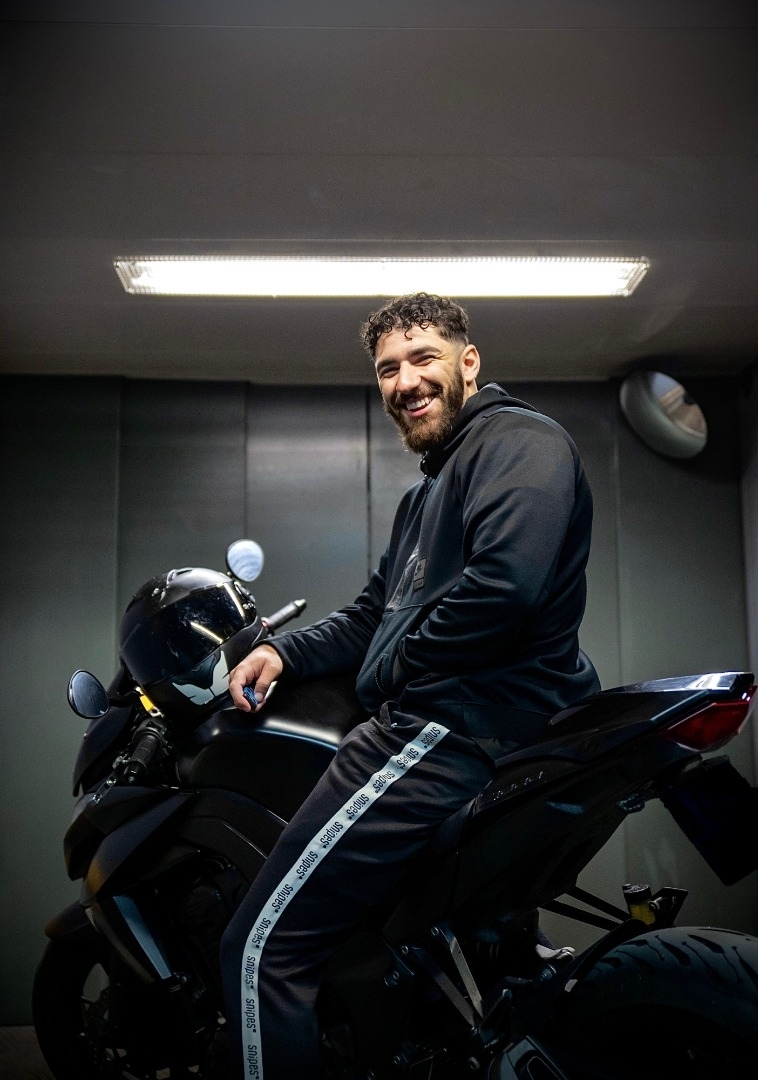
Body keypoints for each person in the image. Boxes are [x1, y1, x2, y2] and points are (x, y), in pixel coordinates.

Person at [220, 291, 600, 1079]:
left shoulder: (518, 442)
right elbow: (374, 615)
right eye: (388, 369)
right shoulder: (427, 495)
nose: (405, 381)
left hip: (451, 730)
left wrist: (392, 668)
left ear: (469, 362)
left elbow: (505, 589)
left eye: (423, 358)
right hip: (465, 727)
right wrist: (284, 653)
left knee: (260, 950)